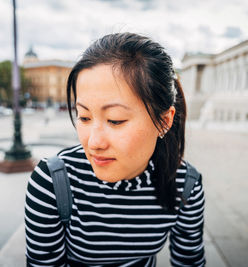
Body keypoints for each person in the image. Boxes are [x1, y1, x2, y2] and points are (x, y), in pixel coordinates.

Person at [25, 32, 205, 267]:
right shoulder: (53, 182)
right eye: (84, 117)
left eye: (115, 120)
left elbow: (189, 261)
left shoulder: (186, 185)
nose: (93, 143)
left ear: (164, 121)